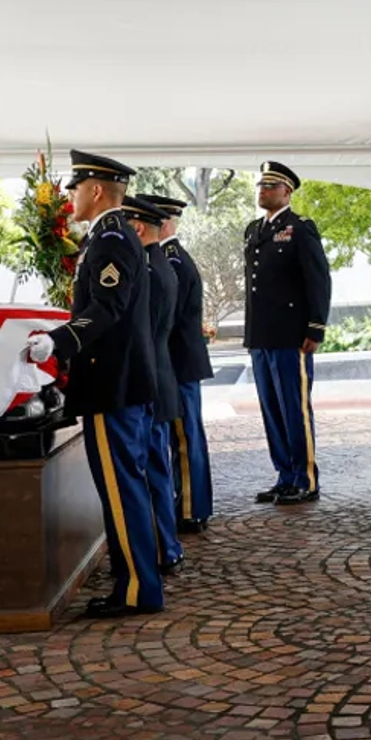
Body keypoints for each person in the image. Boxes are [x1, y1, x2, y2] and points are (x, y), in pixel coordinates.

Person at [23, 151, 163, 618]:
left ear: (97, 191)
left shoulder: (110, 240)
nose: (71, 197)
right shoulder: (112, 237)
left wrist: (58, 342)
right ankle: (135, 580)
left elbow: (107, 308)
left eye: (77, 188)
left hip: (113, 383)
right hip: (120, 382)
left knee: (122, 488)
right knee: (126, 486)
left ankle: (138, 588)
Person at [242, 161, 332, 505]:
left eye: (270, 186)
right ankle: (284, 475)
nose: (263, 191)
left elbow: (319, 280)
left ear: (287, 191)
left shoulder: (300, 228)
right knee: (271, 409)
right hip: (261, 335)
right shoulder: (253, 230)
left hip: (291, 335)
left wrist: (316, 327)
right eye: (260, 186)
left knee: (295, 408)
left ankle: (305, 479)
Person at [141, 194, 215, 533]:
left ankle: (190, 509)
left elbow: (165, 322)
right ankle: (192, 504)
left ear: (164, 223)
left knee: (185, 440)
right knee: (187, 438)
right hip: (183, 360)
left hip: (179, 362)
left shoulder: (170, 260)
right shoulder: (173, 257)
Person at [123, 197, 183, 576]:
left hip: (152, 378)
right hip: (158, 375)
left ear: (140, 228)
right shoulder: (158, 264)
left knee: (153, 470)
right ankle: (168, 544)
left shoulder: (151, 270)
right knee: (156, 468)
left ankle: (164, 546)